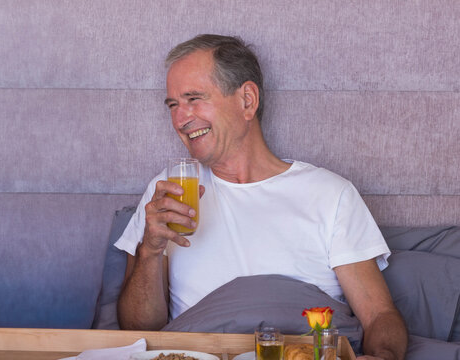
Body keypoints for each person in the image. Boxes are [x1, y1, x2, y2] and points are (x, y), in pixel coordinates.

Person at [115, 34, 407, 360]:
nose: (180, 119)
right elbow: (135, 329)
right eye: (173, 105)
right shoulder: (167, 192)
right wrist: (149, 250)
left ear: (247, 101)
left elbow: (380, 315)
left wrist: (383, 357)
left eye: (194, 98)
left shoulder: (330, 194)